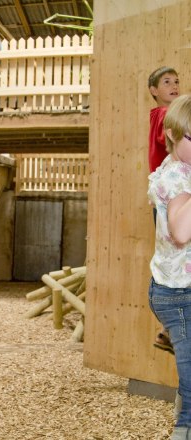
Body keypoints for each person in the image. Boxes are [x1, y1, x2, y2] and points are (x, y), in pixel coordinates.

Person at [147, 94, 191, 439]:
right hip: (178, 295)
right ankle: (183, 428)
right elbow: (181, 232)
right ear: (174, 134)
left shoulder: (181, 168)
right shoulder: (176, 177)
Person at [148, 67, 180, 355]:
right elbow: (170, 139)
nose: (174, 85)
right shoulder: (163, 116)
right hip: (168, 200)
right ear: (154, 91)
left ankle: (167, 331)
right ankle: (168, 328)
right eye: (166, 82)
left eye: (177, 81)